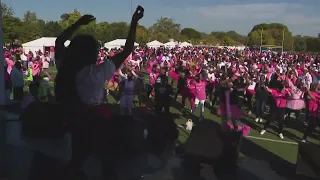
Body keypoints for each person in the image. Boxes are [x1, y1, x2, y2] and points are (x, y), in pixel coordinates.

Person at [53, 5, 144, 179]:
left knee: (77, 157)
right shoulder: (95, 73)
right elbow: (127, 50)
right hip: (96, 123)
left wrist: (78, 23)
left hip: (74, 120)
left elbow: (59, 41)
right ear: (91, 54)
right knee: (108, 161)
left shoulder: (64, 66)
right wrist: (133, 22)